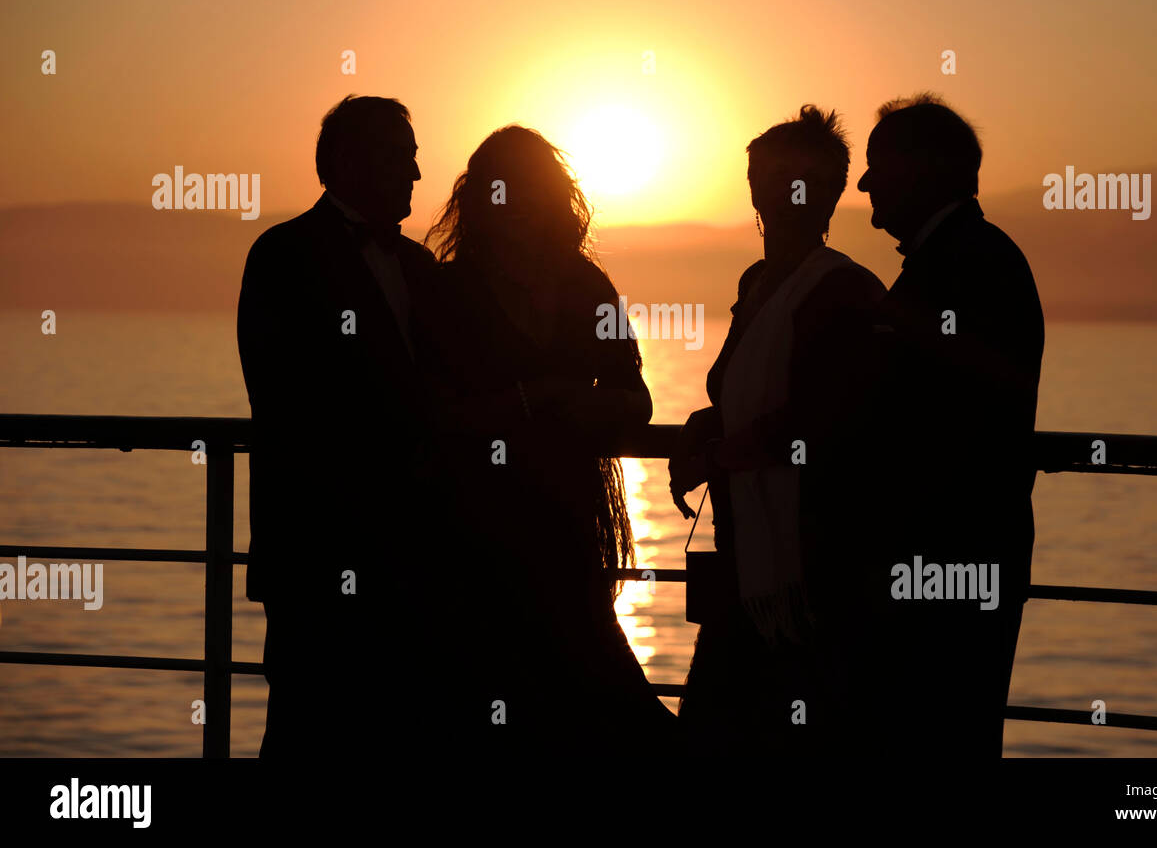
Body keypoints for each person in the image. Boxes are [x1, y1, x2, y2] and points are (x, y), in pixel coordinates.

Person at [421, 123, 676, 744]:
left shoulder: (587, 288)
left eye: (533, 192)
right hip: (471, 529)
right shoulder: (449, 292)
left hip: (567, 523)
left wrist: (585, 408)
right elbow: (430, 415)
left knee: (593, 687)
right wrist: (536, 399)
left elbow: (635, 398)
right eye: (504, 191)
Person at [237, 94, 447, 760]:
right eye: (400, 159)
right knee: (309, 727)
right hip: (318, 549)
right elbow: (288, 400)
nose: (416, 175)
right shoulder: (283, 255)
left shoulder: (421, 269)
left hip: (413, 556)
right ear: (346, 162)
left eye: (415, 160)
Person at [669, 105, 885, 751]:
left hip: (813, 574)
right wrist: (706, 427)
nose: (791, 193)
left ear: (833, 195)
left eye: (810, 180)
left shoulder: (844, 291)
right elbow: (743, 387)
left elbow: (831, 420)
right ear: (754, 188)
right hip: (745, 568)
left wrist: (726, 451)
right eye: (776, 177)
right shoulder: (757, 282)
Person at [855, 92, 1044, 757]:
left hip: (948, 564)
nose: (864, 181)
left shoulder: (973, 262)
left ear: (923, 168)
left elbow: (995, 380)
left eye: (878, 164)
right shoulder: (966, 258)